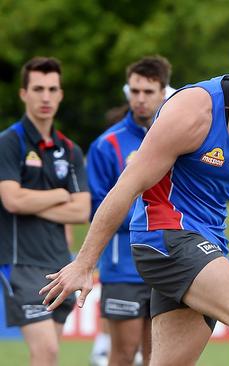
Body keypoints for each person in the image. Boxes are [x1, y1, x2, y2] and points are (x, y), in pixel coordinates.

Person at [40, 23, 229, 366]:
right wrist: (84, 262)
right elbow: (128, 185)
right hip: (163, 236)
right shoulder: (194, 111)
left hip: (206, 242)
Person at [0, 57, 90, 365]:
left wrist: (33, 202)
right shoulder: (8, 143)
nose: (46, 97)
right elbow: (12, 200)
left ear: (61, 94)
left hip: (58, 266)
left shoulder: (71, 149)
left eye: (52, 89)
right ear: (24, 93)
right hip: (20, 264)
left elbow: (81, 211)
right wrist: (59, 194)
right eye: (38, 89)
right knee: (46, 350)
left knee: (48, 357)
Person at [86, 56, 172, 366]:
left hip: (166, 265)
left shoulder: (178, 137)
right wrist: (148, 214)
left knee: (158, 357)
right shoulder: (106, 145)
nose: (139, 99)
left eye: (148, 92)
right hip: (123, 269)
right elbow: (96, 208)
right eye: (134, 91)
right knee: (122, 355)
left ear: (164, 92)